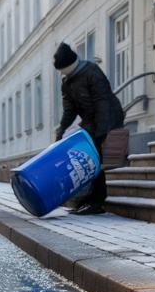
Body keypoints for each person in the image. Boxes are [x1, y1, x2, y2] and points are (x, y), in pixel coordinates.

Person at [53, 42, 125, 216]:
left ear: (70, 65)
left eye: (63, 69)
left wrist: (101, 133)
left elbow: (103, 102)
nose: (61, 72)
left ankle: (97, 202)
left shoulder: (92, 72)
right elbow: (69, 110)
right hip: (90, 121)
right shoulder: (67, 83)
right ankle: (86, 200)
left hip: (109, 117)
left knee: (95, 159)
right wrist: (61, 129)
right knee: (88, 158)